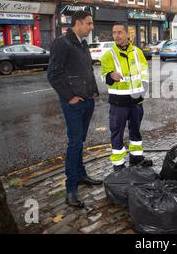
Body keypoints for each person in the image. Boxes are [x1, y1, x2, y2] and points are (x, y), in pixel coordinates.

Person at [47, 11, 102, 208]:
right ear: (78, 23)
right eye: (89, 23)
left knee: (80, 141)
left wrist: (94, 91)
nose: (91, 27)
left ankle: (80, 175)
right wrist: (70, 97)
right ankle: (71, 189)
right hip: (74, 103)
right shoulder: (62, 43)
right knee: (75, 143)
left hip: (88, 100)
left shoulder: (83, 43)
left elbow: (87, 70)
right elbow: (53, 74)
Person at [101, 22, 152, 171]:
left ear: (127, 34)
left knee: (135, 130)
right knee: (117, 133)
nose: (116, 36)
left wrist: (143, 91)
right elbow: (104, 77)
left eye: (119, 32)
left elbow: (144, 72)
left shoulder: (137, 52)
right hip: (118, 103)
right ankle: (118, 165)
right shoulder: (108, 55)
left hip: (137, 101)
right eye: (114, 33)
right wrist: (111, 76)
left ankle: (136, 158)